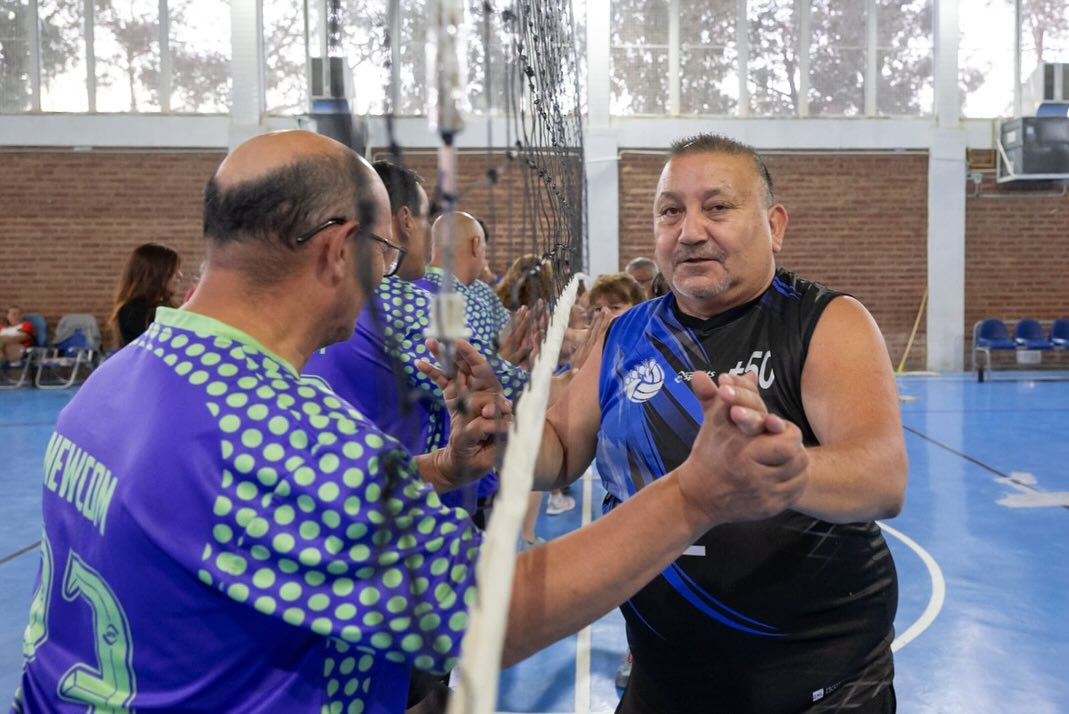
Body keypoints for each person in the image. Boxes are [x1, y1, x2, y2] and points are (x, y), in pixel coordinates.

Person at [13, 130, 809, 713]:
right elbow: (489, 613)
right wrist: (694, 495)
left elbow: (250, 511)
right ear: (341, 252)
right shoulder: (271, 429)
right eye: (386, 256)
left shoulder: (118, 380)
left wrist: (439, 470)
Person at [530, 133, 907, 713]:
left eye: (718, 207)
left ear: (774, 225)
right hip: (663, 681)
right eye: (670, 211)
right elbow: (558, 449)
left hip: (821, 691)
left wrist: (787, 472)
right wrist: (504, 435)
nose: (689, 231)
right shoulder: (626, 333)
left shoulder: (825, 322)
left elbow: (883, 478)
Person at [111, 242, 183, 346]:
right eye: (173, 270)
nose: (180, 275)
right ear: (154, 273)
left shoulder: (168, 305)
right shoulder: (133, 311)